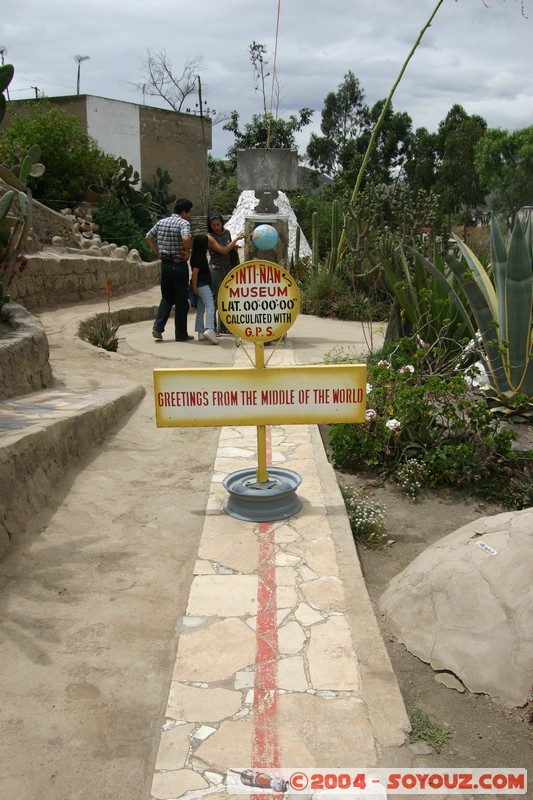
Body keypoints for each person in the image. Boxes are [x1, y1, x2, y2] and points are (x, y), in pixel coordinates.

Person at [146, 198, 193, 342]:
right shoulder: (183, 223)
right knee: (181, 300)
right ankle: (181, 334)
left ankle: (158, 327)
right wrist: (187, 252)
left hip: (165, 264)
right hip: (179, 265)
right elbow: (186, 239)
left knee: (166, 297)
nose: (189, 216)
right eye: (189, 213)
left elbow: (148, 237)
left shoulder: (161, 222)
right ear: (184, 212)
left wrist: (158, 253)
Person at [207, 213, 244, 335]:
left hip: (227, 268)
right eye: (213, 225)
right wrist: (236, 240)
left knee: (226, 298)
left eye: (218, 224)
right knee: (215, 299)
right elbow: (223, 250)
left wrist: (233, 247)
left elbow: (229, 248)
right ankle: (212, 327)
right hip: (216, 269)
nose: (216, 227)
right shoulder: (210, 237)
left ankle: (223, 326)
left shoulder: (226, 233)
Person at [190, 234, 218, 345]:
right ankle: (210, 329)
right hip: (203, 286)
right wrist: (194, 288)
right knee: (211, 306)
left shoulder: (195, 255)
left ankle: (200, 332)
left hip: (199, 286)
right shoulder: (200, 257)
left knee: (201, 309)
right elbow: (194, 274)